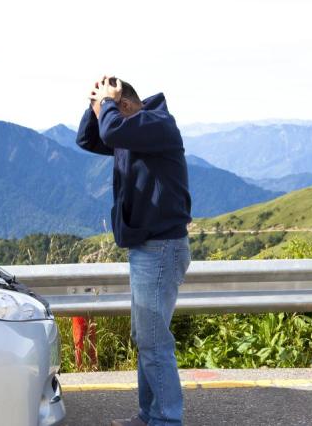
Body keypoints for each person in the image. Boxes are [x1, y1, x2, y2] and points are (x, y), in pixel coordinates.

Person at [76, 76, 192, 426]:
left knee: (154, 341)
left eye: (109, 108)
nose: (104, 115)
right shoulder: (130, 133)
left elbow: (110, 132)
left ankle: (166, 420)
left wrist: (107, 104)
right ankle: (148, 417)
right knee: (147, 338)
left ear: (124, 104)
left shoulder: (157, 124)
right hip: (149, 247)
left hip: (161, 248)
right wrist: (94, 104)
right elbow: (88, 139)